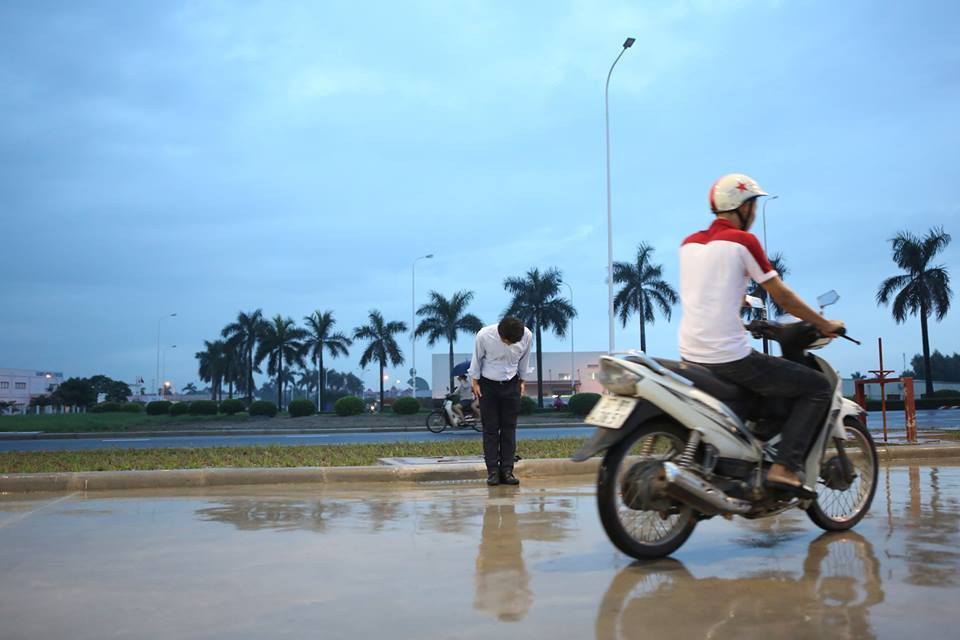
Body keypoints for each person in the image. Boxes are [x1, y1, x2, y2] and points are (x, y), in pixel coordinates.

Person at [678, 173, 844, 498]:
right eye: (754, 205)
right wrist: (823, 324)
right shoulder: (743, 242)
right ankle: (784, 467)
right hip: (730, 358)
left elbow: (712, 293)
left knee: (763, 394)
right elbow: (781, 296)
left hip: (690, 353)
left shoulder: (690, 244)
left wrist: (739, 309)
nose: (754, 213)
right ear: (743, 207)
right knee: (817, 388)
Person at [468, 316, 532, 486]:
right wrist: (474, 382)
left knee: (509, 429)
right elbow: (477, 359)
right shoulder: (484, 335)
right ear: (500, 333)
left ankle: (507, 471)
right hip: (488, 385)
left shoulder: (526, 335)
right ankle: (493, 472)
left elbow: (525, 359)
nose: (510, 345)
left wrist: (523, 381)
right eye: (507, 342)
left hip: (512, 384)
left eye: (513, 343)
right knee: (490, 429)